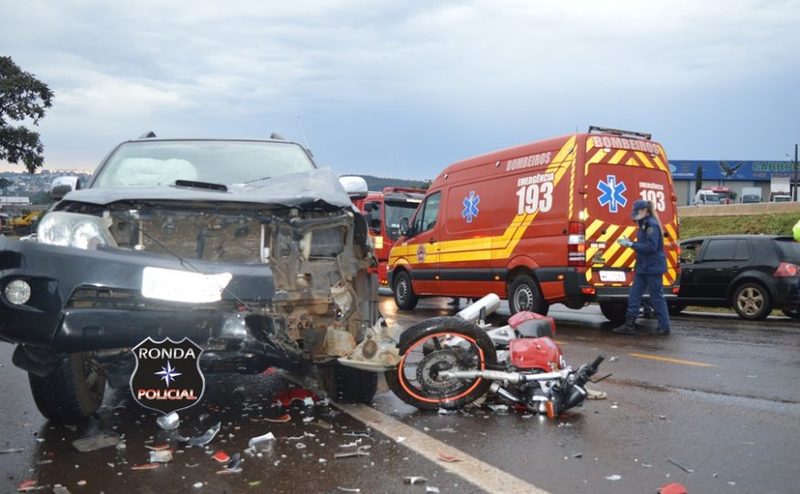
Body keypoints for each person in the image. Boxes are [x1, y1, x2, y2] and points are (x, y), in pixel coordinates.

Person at [612, 199, 670, 336]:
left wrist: (631, 245)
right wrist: (632, 244)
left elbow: (651, 247)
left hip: (653, 267)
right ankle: (629, 324)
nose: (635, 215)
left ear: (645, 210)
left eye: (637, 212)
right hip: (643, 267)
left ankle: (664, 326)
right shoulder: (644, 224)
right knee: (634, 295)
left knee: (656, 297)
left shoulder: (651, 225)